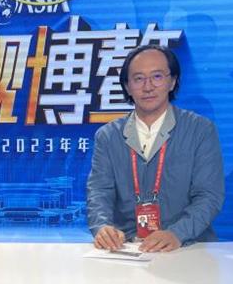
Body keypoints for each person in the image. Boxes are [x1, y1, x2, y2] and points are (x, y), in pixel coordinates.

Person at [87, 44, 224, 252]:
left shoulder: (200, 130)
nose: (148, 87)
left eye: (157, 77)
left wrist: (177, 233)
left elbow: (209, 196)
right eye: (138, 79)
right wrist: (102, 226)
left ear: (173, 81)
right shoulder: (108, 136)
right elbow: (99, 191)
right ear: (127, 86)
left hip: (187, 247)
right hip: (128, 248)